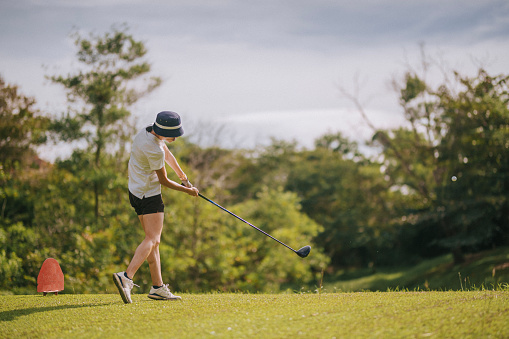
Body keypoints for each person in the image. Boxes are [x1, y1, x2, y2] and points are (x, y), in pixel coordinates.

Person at [113, 111, 199, 304]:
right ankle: (126, 276)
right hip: (149, 195)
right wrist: (189, 192)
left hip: (136, 193)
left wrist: (184, 178)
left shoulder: (146, 132)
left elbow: (168, 155)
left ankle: (157, 287)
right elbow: (164, 181)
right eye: (173, 134)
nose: (175, 138)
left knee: (153, 242)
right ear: (163, 131)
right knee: (152, 239)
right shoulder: (153, 149)